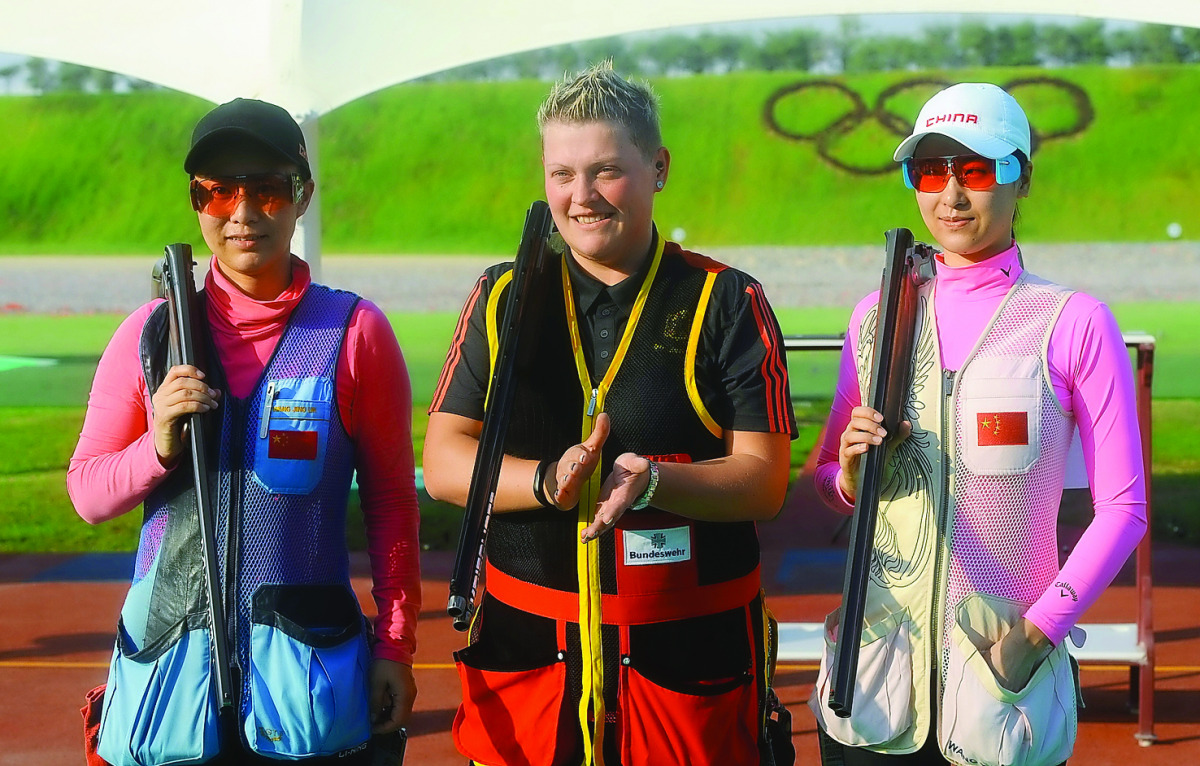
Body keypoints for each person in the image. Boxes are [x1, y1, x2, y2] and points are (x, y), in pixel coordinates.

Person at [423, 63, 797, 766]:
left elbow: (764, 480)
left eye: (606, 171)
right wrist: (544, 481)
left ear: (658, 167)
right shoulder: (503, 296)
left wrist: (654, 482)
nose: (581, 196)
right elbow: (444, 462)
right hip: (531, 666)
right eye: (561, 173)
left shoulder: (726, 301)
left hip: (686, 672)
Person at [68, 98, 420, 764]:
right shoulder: (150, 336)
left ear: (303, 196)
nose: (242, 211)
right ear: (195, 200)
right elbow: (88, 493)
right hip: (169, 686)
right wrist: (159, 445)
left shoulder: (354, 333)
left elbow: (392, 508)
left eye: (267, 188)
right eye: (218, 191)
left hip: (303, 690)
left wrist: (396, 646)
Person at [808, 83, 1147, 766]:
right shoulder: (876, 317)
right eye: (931, 171)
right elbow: (825, 483)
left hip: (1000, 691)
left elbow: (1125, 509)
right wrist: (846, 473)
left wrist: (1038, 632)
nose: (952, 194)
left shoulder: (1073, 321)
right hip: (875, 684)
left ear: (1023, 176)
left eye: (979, 169)